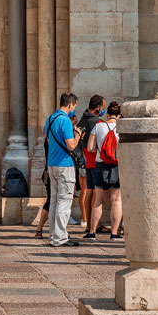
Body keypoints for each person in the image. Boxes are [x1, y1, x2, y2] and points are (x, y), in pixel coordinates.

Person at [43, 91, 81, 249]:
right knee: (64, 202)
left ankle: (53, 235)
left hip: (52, 163)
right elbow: (71, 145)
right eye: (74, 107)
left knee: (54, 201)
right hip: (64, 165)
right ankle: (60, 237)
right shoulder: (65, 121)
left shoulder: (50, 119)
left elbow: (48, 139)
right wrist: (77, 134)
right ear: (70, 105)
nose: (74, 109)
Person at [86, 102, 123, 241]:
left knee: (99, 200)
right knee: (116, 200)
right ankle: (114, 233)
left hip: (101, 165)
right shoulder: (122, 127)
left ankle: (92, 233)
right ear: (119, 115)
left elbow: (90, 148)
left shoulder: (99, 126)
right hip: (117, 165)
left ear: (107, 114)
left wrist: (102, 151)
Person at [78, 96, 104, 234]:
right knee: (95, 193)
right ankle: (95, 225)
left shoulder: (82, 120)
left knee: (88, 192)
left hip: (85, 161)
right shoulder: (98, 122)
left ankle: (88, 223)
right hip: (95, 161)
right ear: (98, 108)